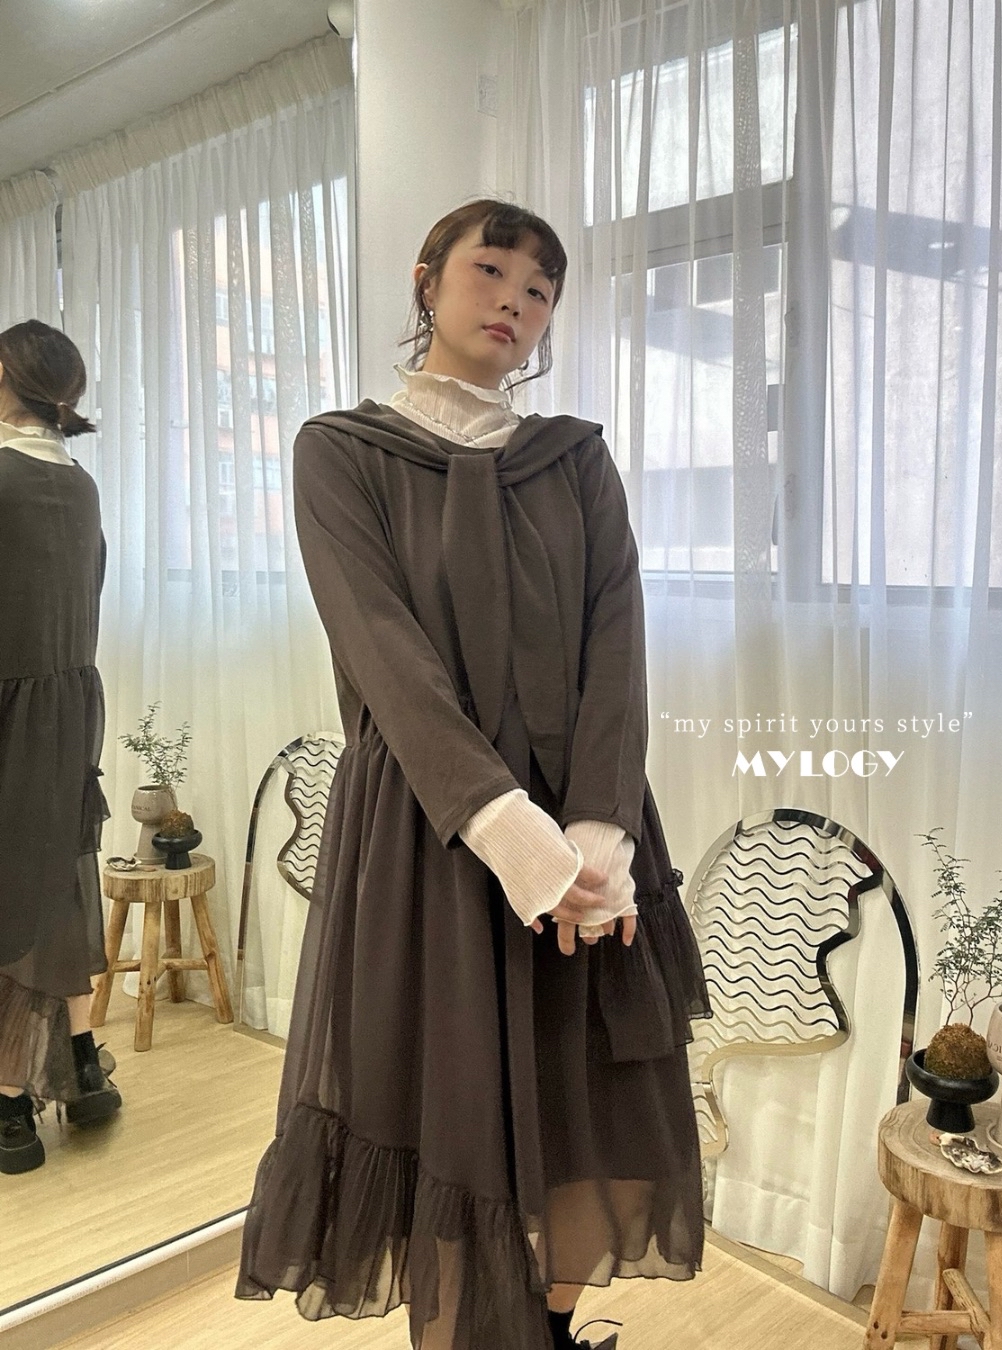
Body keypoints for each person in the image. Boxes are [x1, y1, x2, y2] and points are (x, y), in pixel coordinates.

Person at [236, 200, 710, 1349]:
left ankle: (547, 1332)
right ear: (427, 280)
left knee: (584, 1104)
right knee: (447, 1111)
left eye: (539, 288)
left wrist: (598, 836)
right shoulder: (342, 452)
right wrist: (509, 834)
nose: (514, 300)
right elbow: (384, 657)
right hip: (431, 833)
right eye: (490, 269)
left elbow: (618, 640)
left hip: (588, 840)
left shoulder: (576, 459)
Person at [0, 319, 121, 1177]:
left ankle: (10, 1100)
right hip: (70, 705)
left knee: (11, 893)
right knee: (60, 877)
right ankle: (81, 1065)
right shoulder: (81, 484)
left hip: (8, 709)